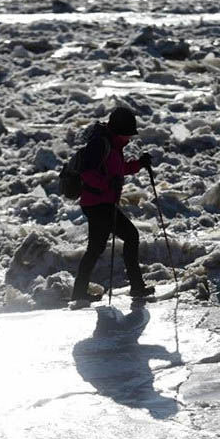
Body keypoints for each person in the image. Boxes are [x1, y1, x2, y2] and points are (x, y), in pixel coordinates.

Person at [71, 107, 155, 301]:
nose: (129, 139)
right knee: (131, 236)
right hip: (99, 204)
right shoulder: (100, 144)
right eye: (127, 134)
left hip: (100, 203)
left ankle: (79, 292)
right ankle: (136, 286)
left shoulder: (113, 145)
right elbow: (87, 172)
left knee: (95, 248)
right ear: (118, 131)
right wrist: (108, 184)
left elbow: (117, 170)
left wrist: (139, 164)